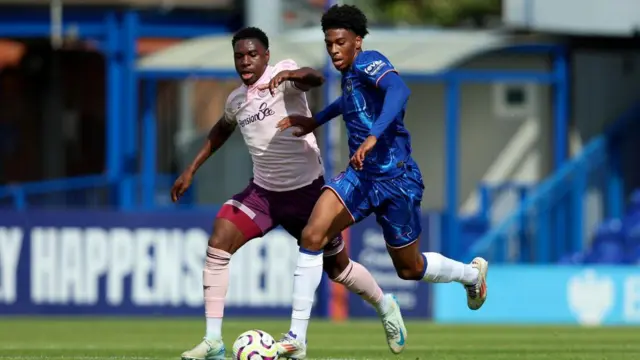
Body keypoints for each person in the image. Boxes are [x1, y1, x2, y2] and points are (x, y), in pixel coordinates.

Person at [173, 27, 405, 360]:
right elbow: (221, 130)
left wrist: (288, 74)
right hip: (264, 194)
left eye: (253, 54)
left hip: (308, 194)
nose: (246, 61)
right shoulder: (237, 100)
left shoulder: (285, 75)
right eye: (240, 56)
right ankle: (213, 341)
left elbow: (315, 79)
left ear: (265, 56)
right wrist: (191, 170)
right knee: (220, 236)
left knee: (338, 268)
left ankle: (386, 306)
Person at [273, 5, 489, 358]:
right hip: (360, 178)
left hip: (397, 180)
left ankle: (470, 275)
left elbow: (399, 90)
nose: (334, 50)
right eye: (329, 44)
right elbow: (351, 101)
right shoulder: (352, 74)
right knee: (313, 235)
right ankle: (297, 338)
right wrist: (317, 120)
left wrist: (373, 137)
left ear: (357, 42)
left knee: (410, 269)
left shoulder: (369, 59)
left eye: (340, 42)